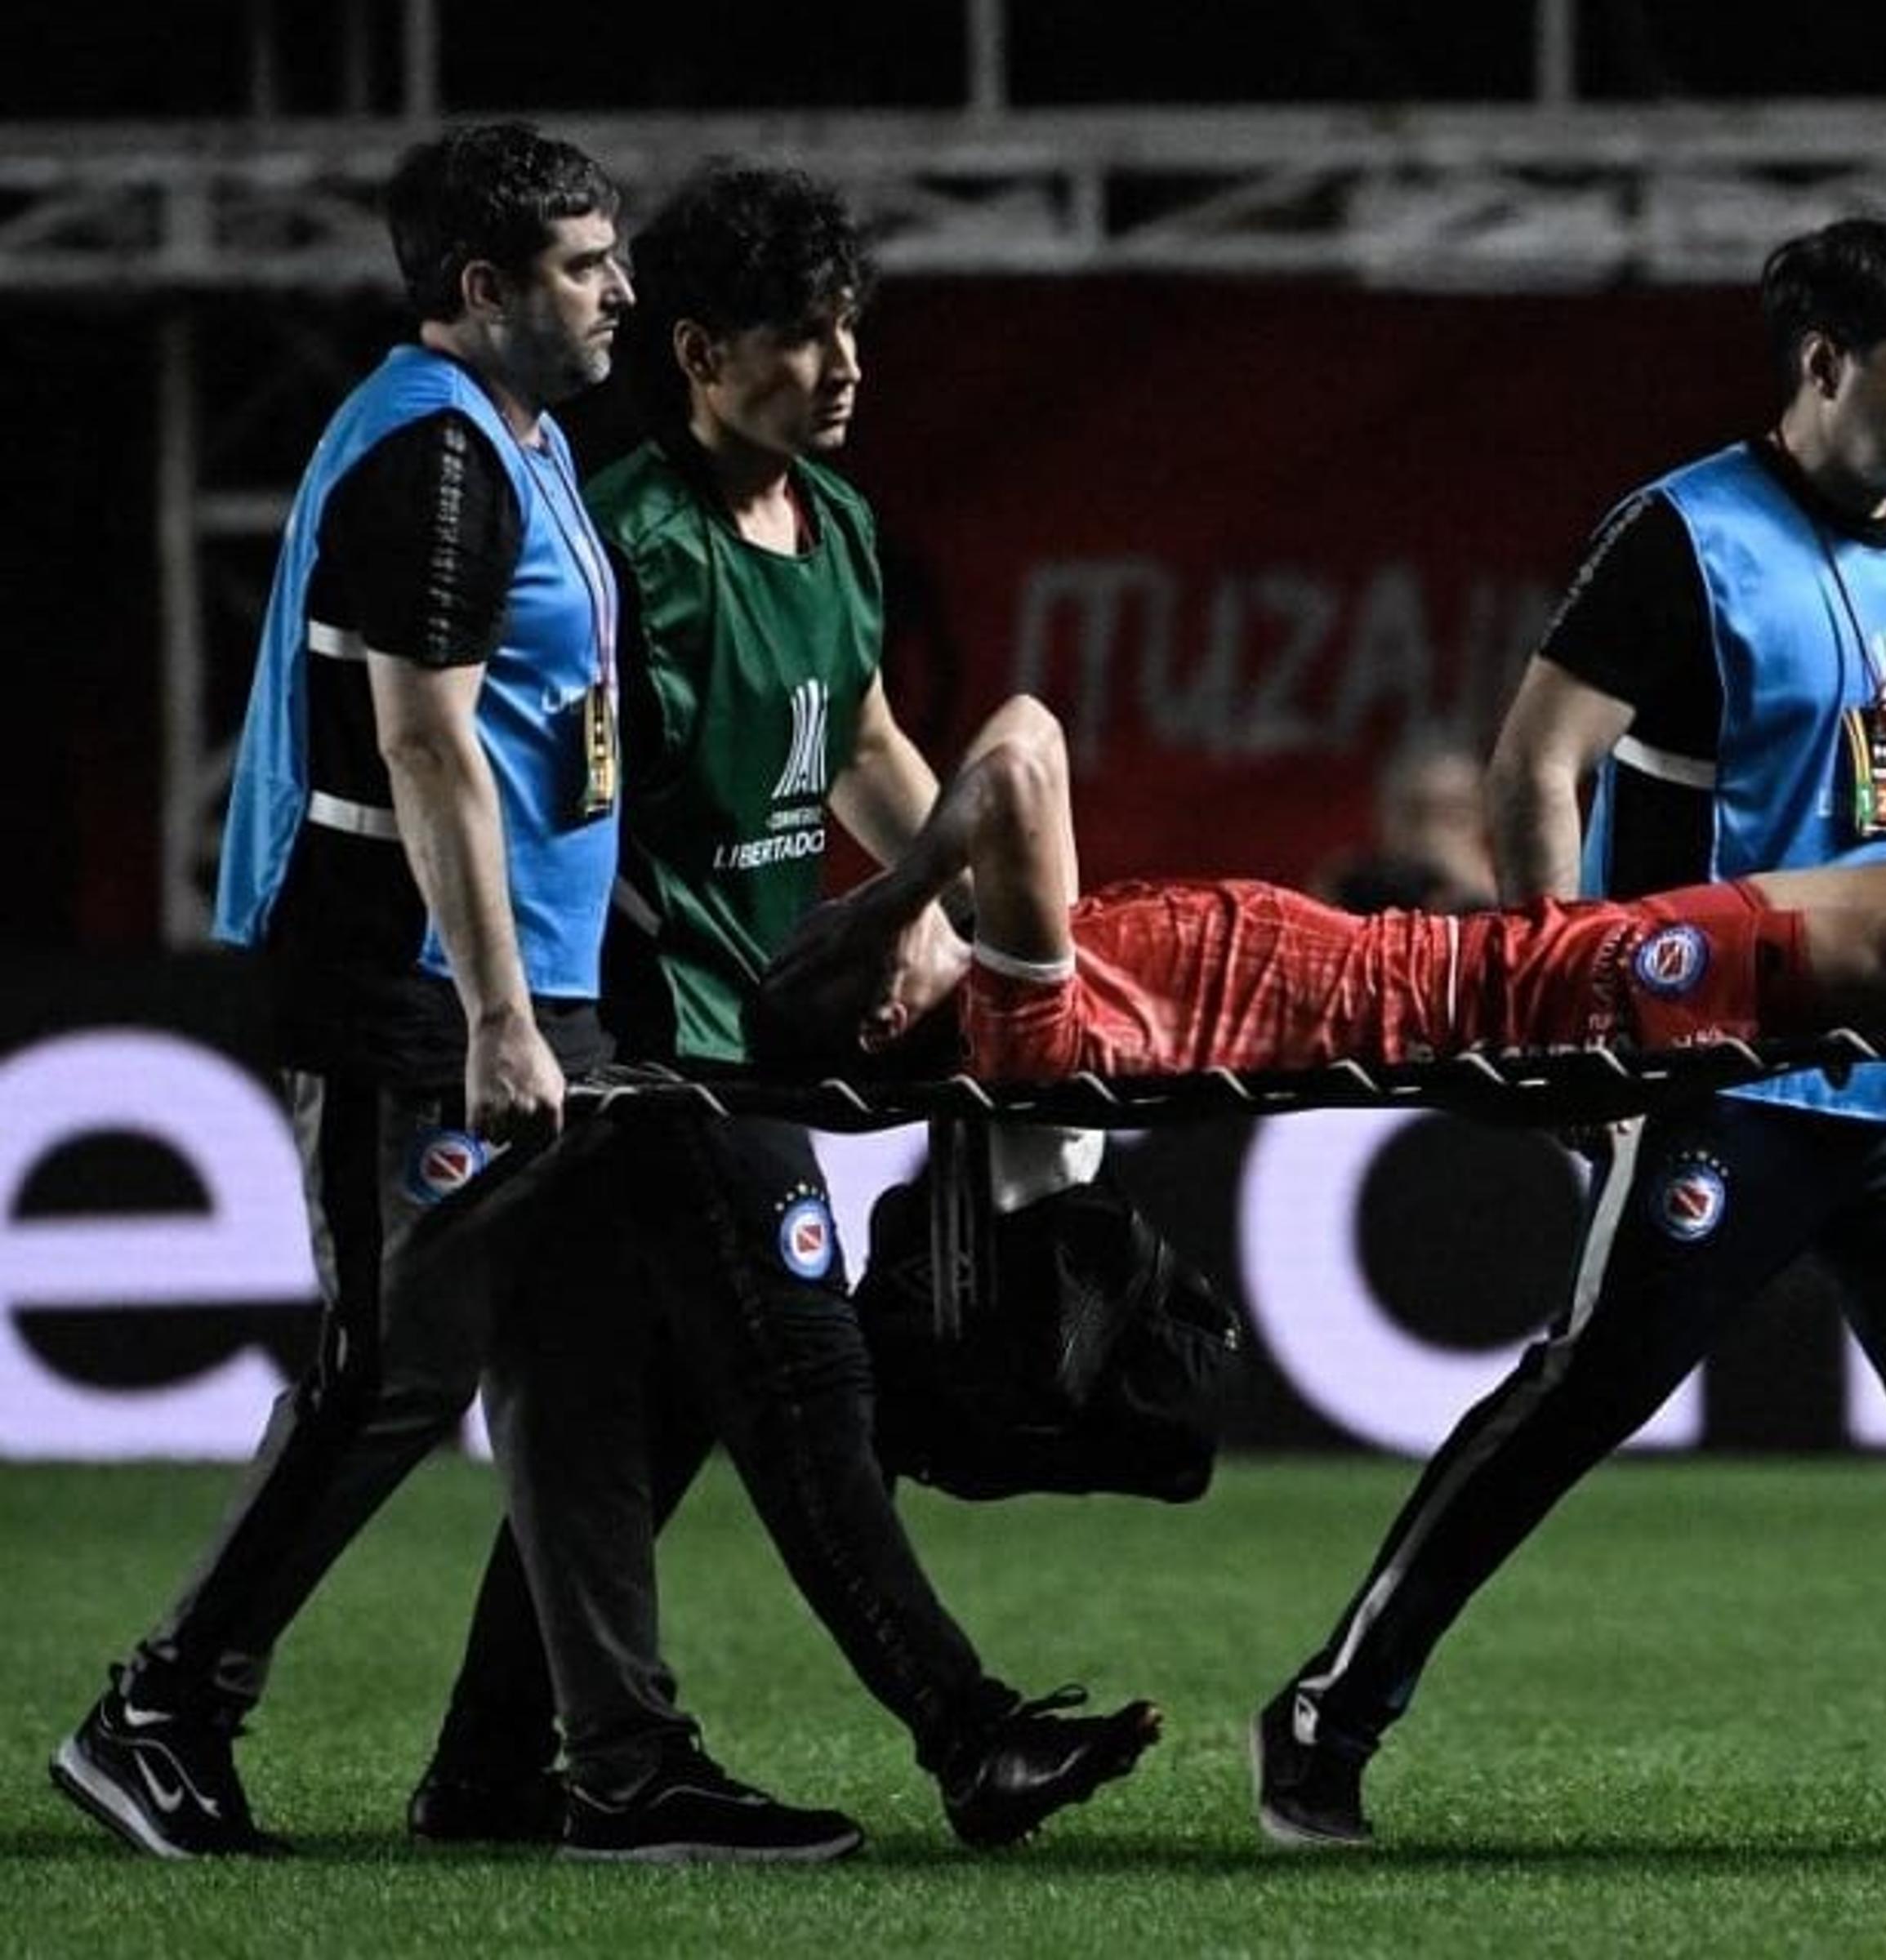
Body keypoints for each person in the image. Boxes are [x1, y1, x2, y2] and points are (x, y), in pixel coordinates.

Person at [1233, 213, 1886, 1848]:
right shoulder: (1682, 537)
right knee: (1579, 1399)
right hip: (1725, 1070)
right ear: (1825, 365)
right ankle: (1323, 1715)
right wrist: (1578, 1015)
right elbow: (1533, 763)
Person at [413, 161, 1163, 1861]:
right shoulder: (627, 547)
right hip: (650, 1038)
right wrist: (759, 967)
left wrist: (969, 931)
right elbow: (557, 814)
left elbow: (874, 748)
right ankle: (969, 1735)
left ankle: (487, 1772)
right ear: (693, 349)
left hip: (747, 1034)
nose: (843, 363)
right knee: (807, 1369)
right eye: (801, 334)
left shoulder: (833, 528)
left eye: (852, 329)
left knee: (641, 1414)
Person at [50, 123, 646, 1859]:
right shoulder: (436, 464)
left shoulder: (513, 441)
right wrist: (498, 1015)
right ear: (483, 289)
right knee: (388, 1371)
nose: (620, 288)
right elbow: (422, 743)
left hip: (524, 984)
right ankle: (160, 1709)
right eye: (586, 264)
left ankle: (550, 1759)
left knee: (573, 1372)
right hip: (420, 993)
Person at [765, 697, 1886, 1081]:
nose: (888, 909)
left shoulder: (993, 976)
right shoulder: (1020, 1026)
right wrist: (904, 882)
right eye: (873, 936)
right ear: (891, 994)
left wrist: (901, 893)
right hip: (1518, 1005)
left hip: (1508, 959)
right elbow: (1026, 751)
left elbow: (1016, 744)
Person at [1319, 738, 1498, 915]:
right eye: (1417, 811)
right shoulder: (1352, 883)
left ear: (1480, 814)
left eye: (1454, 810)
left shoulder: (1502, 888)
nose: (1433, 828)